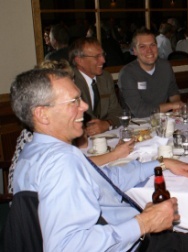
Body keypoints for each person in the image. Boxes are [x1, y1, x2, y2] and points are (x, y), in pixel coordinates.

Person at [9, 68, 188, 251]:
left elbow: (107, 179)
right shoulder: (61, 163)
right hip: (130, 244)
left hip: (122, 232)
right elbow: (65, 246)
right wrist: (144, 223)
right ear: (42, 114)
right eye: (74, 101)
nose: (84, 107)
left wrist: (161, 163)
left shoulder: (32, 153)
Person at [7, 60, 133, 194]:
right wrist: (115, 154)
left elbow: (82, 148)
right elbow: (77, 164)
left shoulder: (55, 126)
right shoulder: (39, 133)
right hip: (28, 203)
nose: (84, 106)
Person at [118, 28, 184, 118]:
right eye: (142, 47)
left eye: (152, 45)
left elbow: (173, 91)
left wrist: (177, 104)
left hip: (162, 120)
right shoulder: (127, 73)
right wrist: (171, 106)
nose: (149, 50)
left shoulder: (165, 66)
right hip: (137, 125)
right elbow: (139, 111)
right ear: (134, 51)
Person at [69, 37, 123, 136]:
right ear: (79, 61)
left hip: (105, 135)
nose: (103, 60)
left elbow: (117, 111)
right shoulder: (70, 82)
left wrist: (107, 124)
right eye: (97, 56)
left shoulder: (105, 77)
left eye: (103, 55)